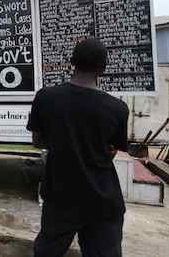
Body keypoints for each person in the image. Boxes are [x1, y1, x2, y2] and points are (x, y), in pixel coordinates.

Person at [28, 38, 129, 257]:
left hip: (60, 196)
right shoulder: (118, 108)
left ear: (72, 62)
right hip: (104, 201)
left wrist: (62, 143)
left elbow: (37, 141)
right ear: (102, 69)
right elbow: (112, 150)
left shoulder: (46, 97)